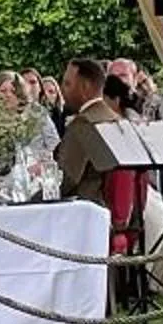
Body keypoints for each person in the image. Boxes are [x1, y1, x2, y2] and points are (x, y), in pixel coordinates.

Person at [55, 58, 120, 212]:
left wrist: (30, 200)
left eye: (67, 84)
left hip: (83, 213)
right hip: (114, 214)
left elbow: (67, 179)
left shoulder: (84, 124)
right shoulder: (116, 120)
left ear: (85, 87)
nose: (62, 90)